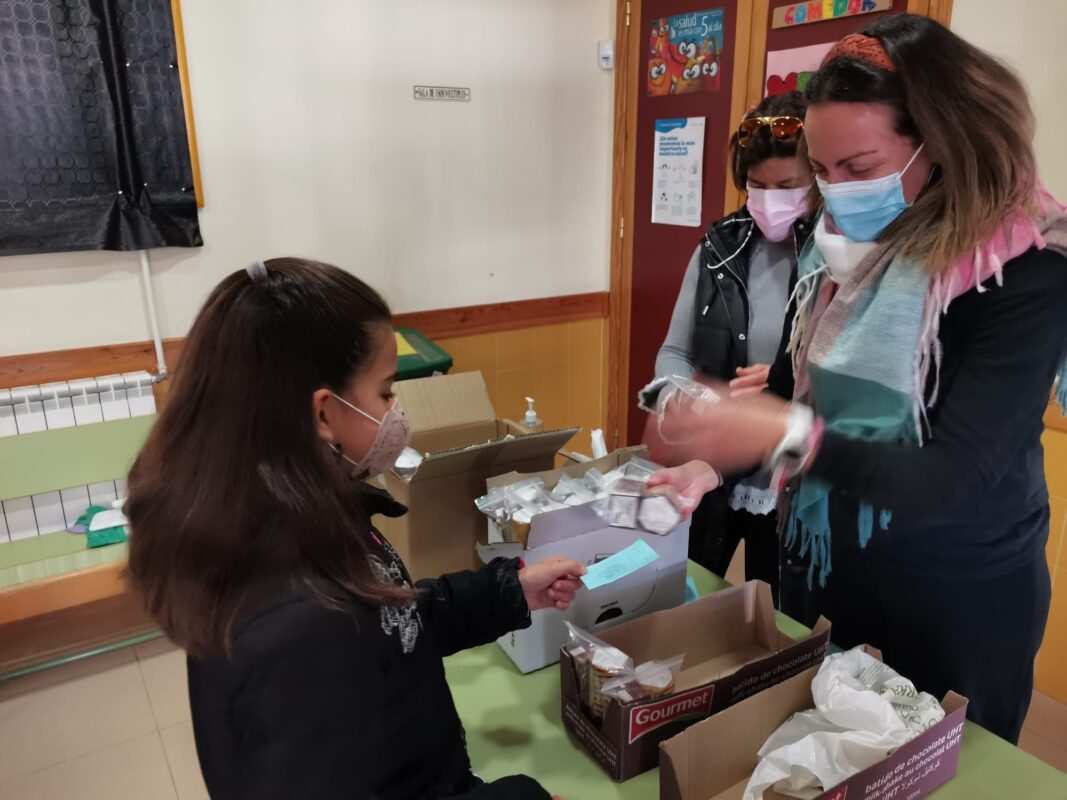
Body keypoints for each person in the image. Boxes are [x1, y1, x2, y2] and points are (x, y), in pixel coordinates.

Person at [646, 14, 1067, 744]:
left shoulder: (1023, 272)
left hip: (955, 598)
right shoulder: (837, 251)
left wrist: (783, 434)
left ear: (943, 143)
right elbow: (789, 391)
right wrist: (710, 467)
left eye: (859, 168)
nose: (834, 193)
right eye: (821, 169)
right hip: (827, 566)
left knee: (937, 772)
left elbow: (950, 477)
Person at [125, 258, 584, 799]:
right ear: (324, 413)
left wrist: (507, 591)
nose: (396, 411)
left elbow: (391, 626)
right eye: (386, 392)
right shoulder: (292, 619)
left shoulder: (302, 514)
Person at [651, 91, 813, 600]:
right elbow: (675, 352)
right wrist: (681, 399)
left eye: (787, 186)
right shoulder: (720, 246)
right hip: (712, 473)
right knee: (690, 602)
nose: (769, 200)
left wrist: (785, 379)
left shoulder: (833, 256)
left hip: (792, 481)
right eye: (756, 186)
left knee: (778, 620)